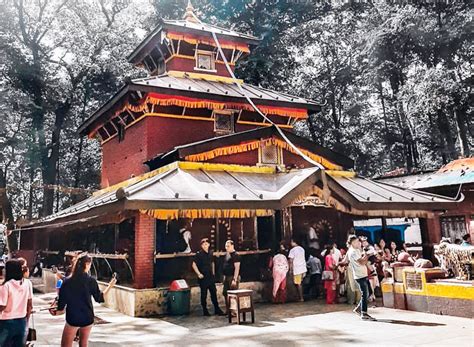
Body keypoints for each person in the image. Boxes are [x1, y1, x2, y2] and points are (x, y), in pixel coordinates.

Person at [51, 253, 116, 347]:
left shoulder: (67, 282)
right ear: (87, 265)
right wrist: (110, 285)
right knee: (83, 344)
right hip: (87, 317)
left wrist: (56, 312)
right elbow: (99, 298)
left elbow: (61, 306)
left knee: (65, 345)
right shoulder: (91, 281)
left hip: (73, 317)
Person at [0, 259, 33, 347]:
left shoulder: (6, 285)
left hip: (6, 322)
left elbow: (2, 306)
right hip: (21, 321)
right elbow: (29, 304)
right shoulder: (27, 283)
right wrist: (27, 320)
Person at [192, 238, 225, 316]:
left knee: (213, 292)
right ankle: (205, 310)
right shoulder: (199, 254)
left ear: (209, 245)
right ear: (201, 246)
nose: (205, 246)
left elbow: (212, 263)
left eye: (206, 244)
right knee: (204, 294)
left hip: (210, 276)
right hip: (203, 277)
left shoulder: (210, 253)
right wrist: (198, 274)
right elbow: (193, 264)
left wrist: (213, 273)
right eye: (203, 244)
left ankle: (217, 309)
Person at [347, 234, 375, 320]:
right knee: (365, 293)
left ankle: (359, 309)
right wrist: (367, 255)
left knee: (369, 292)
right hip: (360, 275)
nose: (358, 243)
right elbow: (362, 262)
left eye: (358, 241)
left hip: (363, 273)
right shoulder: (353, 252)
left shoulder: (356, 250)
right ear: (351, 243)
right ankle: (364, 313)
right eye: (355, 242)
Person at [288, 238, 306, 302]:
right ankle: (300, 296)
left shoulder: (292, 250)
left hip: (297, 268)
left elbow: (291, 260)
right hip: (303, 268)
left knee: (298, 283)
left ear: (294, 242)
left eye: (291, 242)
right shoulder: (302, 249)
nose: (291, 243)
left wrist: (290, 269)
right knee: (300, 283)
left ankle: (301, 297)